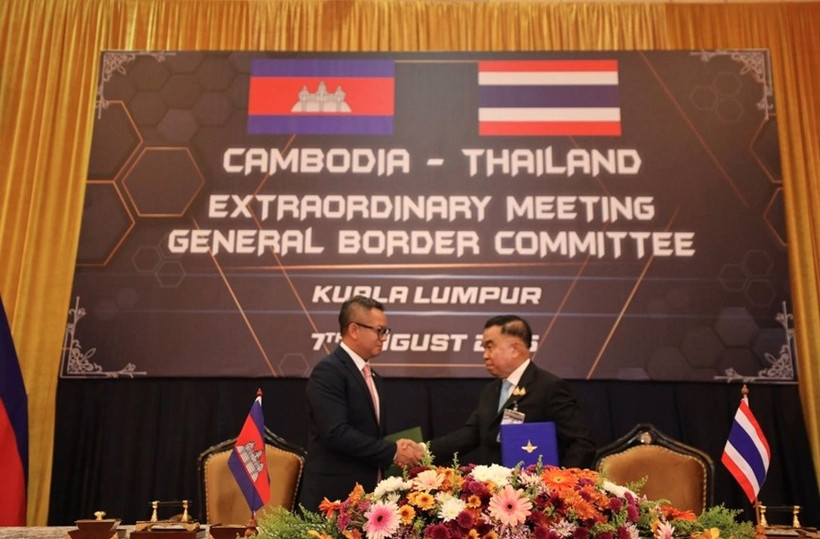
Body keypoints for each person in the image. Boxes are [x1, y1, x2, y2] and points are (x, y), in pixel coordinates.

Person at [298, 295, 424, 512]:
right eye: (379, 330)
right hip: (333, 498)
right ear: (354, 330)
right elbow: (336, 433)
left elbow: (369, 434)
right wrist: (392, 451)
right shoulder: (328, 372)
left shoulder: (373, 376)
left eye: (386, 331)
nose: (384, 337)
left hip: (366, 497)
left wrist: (398, 446)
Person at [429, 314, 596, 469]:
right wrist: (423, 451)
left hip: (534, 494)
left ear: (515, 349)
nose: (485, 355)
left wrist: (560, 483)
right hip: (494, 493)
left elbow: (581, 443)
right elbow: (470, 434)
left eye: (490, 346)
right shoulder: (491, 391)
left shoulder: (549, 387)